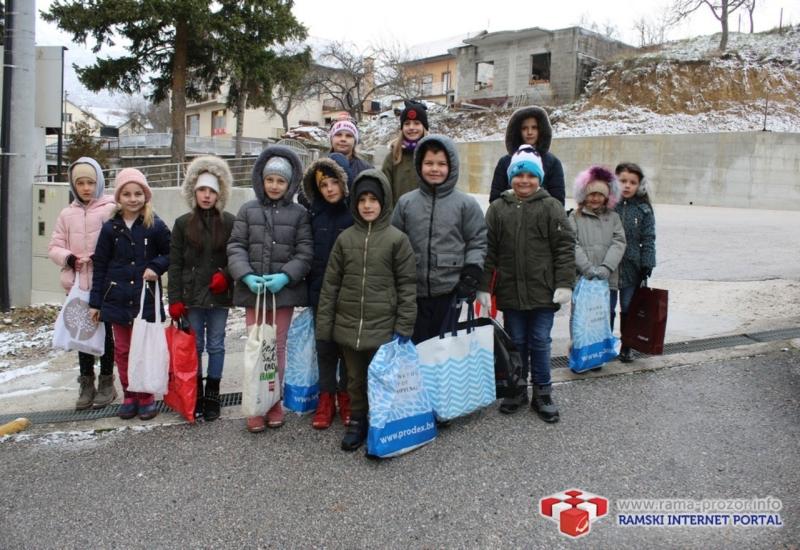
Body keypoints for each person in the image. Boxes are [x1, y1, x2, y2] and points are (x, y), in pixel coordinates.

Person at [316, 170, 417, 451]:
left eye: (374, 199)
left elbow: (407, 286)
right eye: (362, 200)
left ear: (384, 202)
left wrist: (404, 324)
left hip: (383, 328)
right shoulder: (345, 239)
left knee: (382, 380)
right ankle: (357, 420)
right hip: (348, 328)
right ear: (355, 204)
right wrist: (325, 326)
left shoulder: (397, 240)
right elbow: (331, 285)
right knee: (354, 379)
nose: (368, 205)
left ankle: (380, 421)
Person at [478, 146, 575, 422]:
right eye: (519, 174)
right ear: (510, 177)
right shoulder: (497, 209)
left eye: (531, 175)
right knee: (516, 341)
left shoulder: (551, 207)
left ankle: (543, 393)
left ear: (539, 178)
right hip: (510, 292)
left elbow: (565, 247)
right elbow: (489, 250)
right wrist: (484, 286)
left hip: (544, 292)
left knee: (540, 341)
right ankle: (517, 390)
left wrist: (565, 283)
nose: (524, 180)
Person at [227, 146, 313, 433]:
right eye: (270, 180)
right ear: (261, 180)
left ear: (289, 184)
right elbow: (236, 246)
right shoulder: (247, 210)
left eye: (281, 181)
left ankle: (274, 401)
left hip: (282, 295)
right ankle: (255, 403)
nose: (275, 186)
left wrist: (286, 277)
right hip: (256, 293)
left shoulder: (299, 213)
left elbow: (304, 251)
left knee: (276, 347)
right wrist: (246, 275)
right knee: (256, 346)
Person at [89, 168, 171, 420]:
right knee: (123, 350)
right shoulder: (110, 228)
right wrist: (96, 302)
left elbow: (170, 253)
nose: (133, 198)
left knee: (143, 349)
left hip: (144, 300)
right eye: (127, 193)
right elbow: (100, 265)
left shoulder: (154, 225)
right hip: (117, 300)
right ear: (119, 196)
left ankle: (146, 395)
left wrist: (155, 267)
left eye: (138, 193)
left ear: (145, 196)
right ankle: (129, 393)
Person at [391, 134, 487, 344]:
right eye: (429, 163)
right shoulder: (406, 203)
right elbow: (394, 241)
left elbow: (477, 240)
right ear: (419, 164)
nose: (435, 169)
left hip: (450, 292)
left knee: (443, 348)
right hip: (413, 293)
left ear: (451, 166)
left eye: (441, 164)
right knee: (418, 346)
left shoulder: (465, 204)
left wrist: (471, 272)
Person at [168, 156, 236, 421]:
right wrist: (174, 299)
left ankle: (213, 393)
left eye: (212, 191)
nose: (207, 196)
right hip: (192, 298)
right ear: (193, 192)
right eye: (202, 190)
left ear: (219, 194)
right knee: (195, 346)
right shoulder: (183, 224)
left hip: (219, 297)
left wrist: (226, 276)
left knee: (217, 345)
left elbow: (237, 256)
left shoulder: (229, 222)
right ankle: (194, 391)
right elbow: (175, 265)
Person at [48, 157, 117, 410]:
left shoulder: (110, 209)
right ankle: (86, 383)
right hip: (78, 284)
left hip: (105, 284)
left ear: (99, 182)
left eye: (91, 182)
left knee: (106, 333)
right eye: (81, 183)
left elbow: (118, 243)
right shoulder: (67, 214)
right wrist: (67, 258)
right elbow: (54, 246)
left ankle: (107, 381)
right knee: (82, 334)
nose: (86, 188)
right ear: (73, 185)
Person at [301, 154, 354, 429]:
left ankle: (345, 395)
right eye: (324, 185)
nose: (330, 189)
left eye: (335, 182)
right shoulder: (313, 214)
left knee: (346, 347)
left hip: (348, 293)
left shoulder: (353, 213)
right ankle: (326, 397)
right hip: (319, 291)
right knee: (324, 348)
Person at [567, 165, 627, 370]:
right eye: (591, 194)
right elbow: (570, 243)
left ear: (607, 197)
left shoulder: (613, 218)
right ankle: (579, 353)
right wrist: (586, 267)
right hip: (582, 279)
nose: (594, 198)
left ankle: (597, 354)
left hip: (605, 279)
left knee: (602, 315)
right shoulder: (575, 218)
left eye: (599, 195)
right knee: (580, 318)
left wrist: (606, 267)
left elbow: (619, 242)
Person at [613, 162, 656, 362]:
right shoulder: (608, 205)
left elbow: (648, 238)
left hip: (632, 267)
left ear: (639, 185)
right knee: (607, 307)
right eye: (623, 181)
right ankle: (605, 343)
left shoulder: (643, 209)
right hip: (610, 267)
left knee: (629, 307)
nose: (627, 186)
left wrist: (647, 263)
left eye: (632, 182)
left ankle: (627, 344)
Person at [489, 106, 565, 205]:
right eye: (524, 128)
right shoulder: (505, 162)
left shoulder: (553, 162)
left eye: (534, 127)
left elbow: (558, 202)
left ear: (541, 129)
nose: (529, 132)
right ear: (517, 131)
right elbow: (495, 200)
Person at [381, 100, 429, 201]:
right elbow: (384, 193)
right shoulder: (393, 158)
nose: (411, 127)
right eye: (407, 124)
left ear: (424, 127)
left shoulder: (431, 156)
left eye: (417, 123)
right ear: (402, 128)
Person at [329, 117, 372, 186]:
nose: (343, 139)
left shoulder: (366, 170)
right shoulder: (319, 167)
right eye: (338, 135)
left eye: (348, 136)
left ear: (355, 141)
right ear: (331, 139)